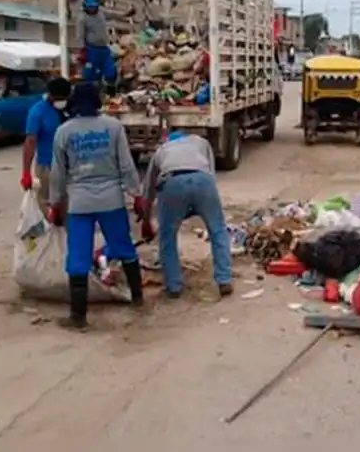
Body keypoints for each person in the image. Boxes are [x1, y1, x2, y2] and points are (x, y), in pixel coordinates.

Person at [47, 82, 145, 331]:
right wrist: (137, 194)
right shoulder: (113, 127)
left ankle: (78, 317)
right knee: (124, 248)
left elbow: (58, 174)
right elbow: (126, 165)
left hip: (79, 203)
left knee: (78, 257)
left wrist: (54, 203)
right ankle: (138, 299)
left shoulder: (64, 132)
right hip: (111, 200)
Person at [139, 130, 233, 299]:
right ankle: (224, 279)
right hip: (203, 180)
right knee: (218, 230)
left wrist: (146, 220)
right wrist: (200, 204)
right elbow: (210, 172)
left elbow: (148, 192)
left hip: (172, 182)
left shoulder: (162, 150)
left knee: (167, 236)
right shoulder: (200, 142)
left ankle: (173, 286)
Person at [21, 77, 72, 209]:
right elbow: (30, 141)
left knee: (71, 206)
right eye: (58, 98)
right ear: (50, 95)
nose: (60, 101)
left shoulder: (72, 108)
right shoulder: (38, 111)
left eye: (63, 98)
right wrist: (26, 172)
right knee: (48, 205)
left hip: (72, 166)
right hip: (48, 166)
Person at [76, 0, 135, 89]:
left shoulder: (101, 12)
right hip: (91, 49)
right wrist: (82, 50)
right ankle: (94, 90)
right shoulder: (82, 18)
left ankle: (111, 90)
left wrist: (125, 14)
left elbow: (113, 14)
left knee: (111, 71)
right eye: (90, 7)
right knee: (90, 74)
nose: (92, 9)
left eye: (94, 7)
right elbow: (80, 35)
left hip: (104, 49)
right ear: (85, 6)